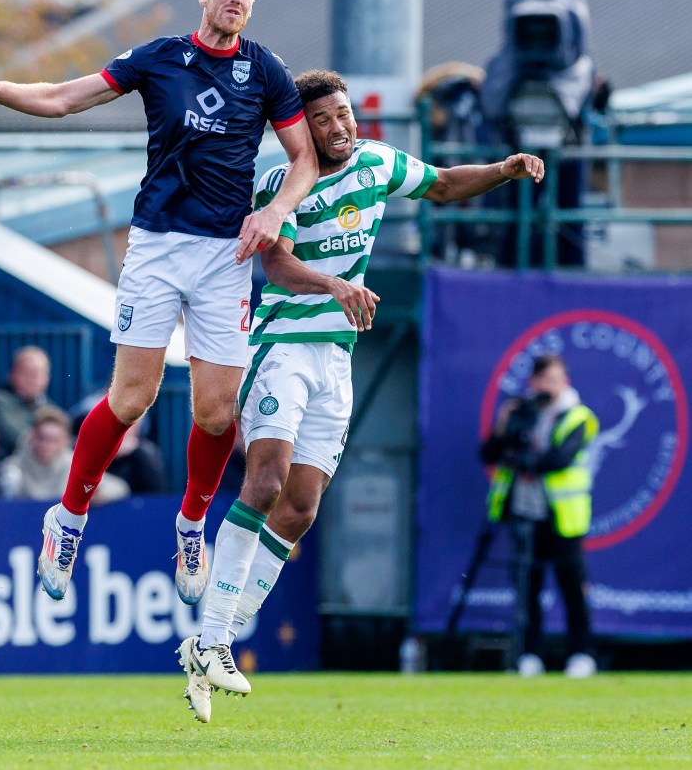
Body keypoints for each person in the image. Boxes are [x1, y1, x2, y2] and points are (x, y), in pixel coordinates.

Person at [0, 0, 318, 605]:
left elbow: (304, 156)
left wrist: (277, 209)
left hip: (225, 255)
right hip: (157, 246)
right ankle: (68, 518)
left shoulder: (266, 70)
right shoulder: (159, 57)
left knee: (215, 408)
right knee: (132, 398)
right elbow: (61, 98)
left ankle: (191, 522)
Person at [177, 68, 545, 722]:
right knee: (264, 482)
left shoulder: (377, 162)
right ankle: (212, 639)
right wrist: (337, 285)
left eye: (343, 113)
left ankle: (215, 638)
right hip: (283, 346)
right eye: (322, 119)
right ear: (302, 128)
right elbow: (277, 263)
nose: (339, 126)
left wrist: (505, 170)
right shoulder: (282, 183)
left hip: (335, 361)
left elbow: (441, 183)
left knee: (301, 507)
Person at [481, 354, 599, 679]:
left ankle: (581, 654)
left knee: (572, 588)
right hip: (523, 512)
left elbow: (559, 458)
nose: (548, 387)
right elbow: (489, 453)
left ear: (566, 382)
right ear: (532, 382)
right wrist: (505, 427)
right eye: (542, 380)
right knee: (527, 588)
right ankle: (529, 655)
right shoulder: (520, 412)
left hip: (562, 517)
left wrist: (523, 460)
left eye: (554, 380)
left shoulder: (579, 416)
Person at [0, 405, 128, 504]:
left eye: (53, 440)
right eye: (42, 438)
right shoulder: (13, 468)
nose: (46, 445)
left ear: (65, 441)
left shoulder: (76, 466)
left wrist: (100, 494)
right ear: (32, 437)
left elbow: (120, 488)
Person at [0, 346, 61, 459]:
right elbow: (13, 438)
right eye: (26, 372)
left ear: (47, 378)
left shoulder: (53, 410)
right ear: (12, 374)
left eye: (37, 373)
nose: (32, 378)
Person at [105, 419, 168, 494]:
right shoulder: (97, 450)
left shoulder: (145, 451)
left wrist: (138, 451)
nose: (127, 428)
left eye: (133, 425)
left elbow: (158, 492)